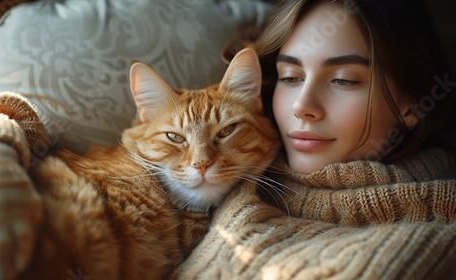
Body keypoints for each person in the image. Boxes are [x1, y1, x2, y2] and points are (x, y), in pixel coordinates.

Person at [170, 0, 456, 279]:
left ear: (414, 104)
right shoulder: (206, 197)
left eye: (343, 80)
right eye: (291, 77)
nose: (301, 105)